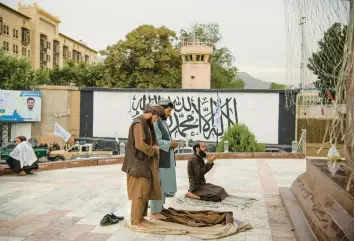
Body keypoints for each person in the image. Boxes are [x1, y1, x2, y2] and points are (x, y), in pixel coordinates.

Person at [121, 103, 165, 228]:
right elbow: (139, 145)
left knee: (145, 191)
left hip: (145, 164)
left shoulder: (147, 124)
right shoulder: (138, 124)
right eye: (156, 117)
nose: (156, 120)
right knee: (139, 193)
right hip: (137, 165)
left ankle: (141, 217)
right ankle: (136, 220)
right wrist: (154, 150)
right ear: (151, 114)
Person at [149, 99, 178, 220]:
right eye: (169, 110)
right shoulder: (156, 122)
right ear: (161, 109)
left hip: (166, 156)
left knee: (164, 184)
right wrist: (171, 144)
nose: (170, 114)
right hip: (159, 158)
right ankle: (155, 212)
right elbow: (158, 142)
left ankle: (160, 208)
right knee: (158, 184)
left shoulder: (162, 121)